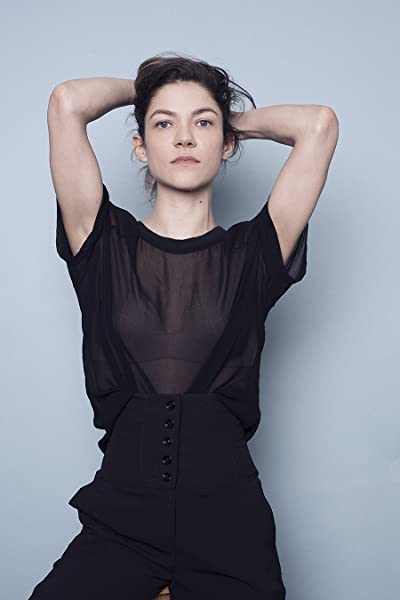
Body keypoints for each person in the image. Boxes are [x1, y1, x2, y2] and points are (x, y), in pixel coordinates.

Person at [28, 52, 339, 600]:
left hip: (230, 521)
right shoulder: (100, 242)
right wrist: (152, 92)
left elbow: (318, 125)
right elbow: (67, 102)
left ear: (226, 145)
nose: (184, 138)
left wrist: (224, 117)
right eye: (163, 125)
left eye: (202, 124)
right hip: (122, 518)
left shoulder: (255, 254)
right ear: (140, 147)